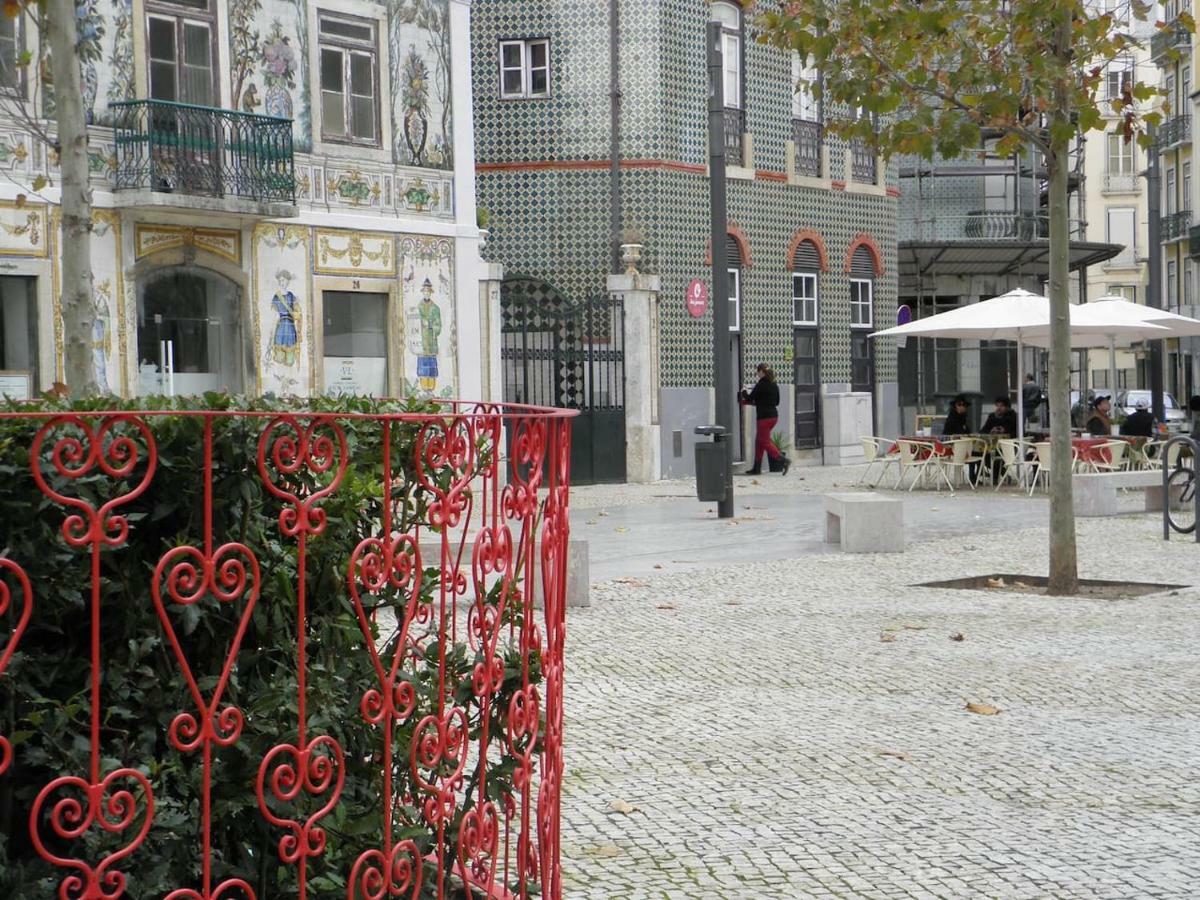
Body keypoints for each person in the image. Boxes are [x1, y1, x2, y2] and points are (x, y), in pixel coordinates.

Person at [740, 364, 790, 476]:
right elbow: (777, 402)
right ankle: (756, 468)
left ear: (762, 372)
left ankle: (783, 460)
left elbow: (749, 398)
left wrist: (743, 391)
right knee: (759, 441)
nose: (757, 374)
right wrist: (762, 401)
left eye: (758, 372)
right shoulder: (774, 384)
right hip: (773, 416)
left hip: (764, 418)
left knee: (764, 441)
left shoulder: (761, 384)